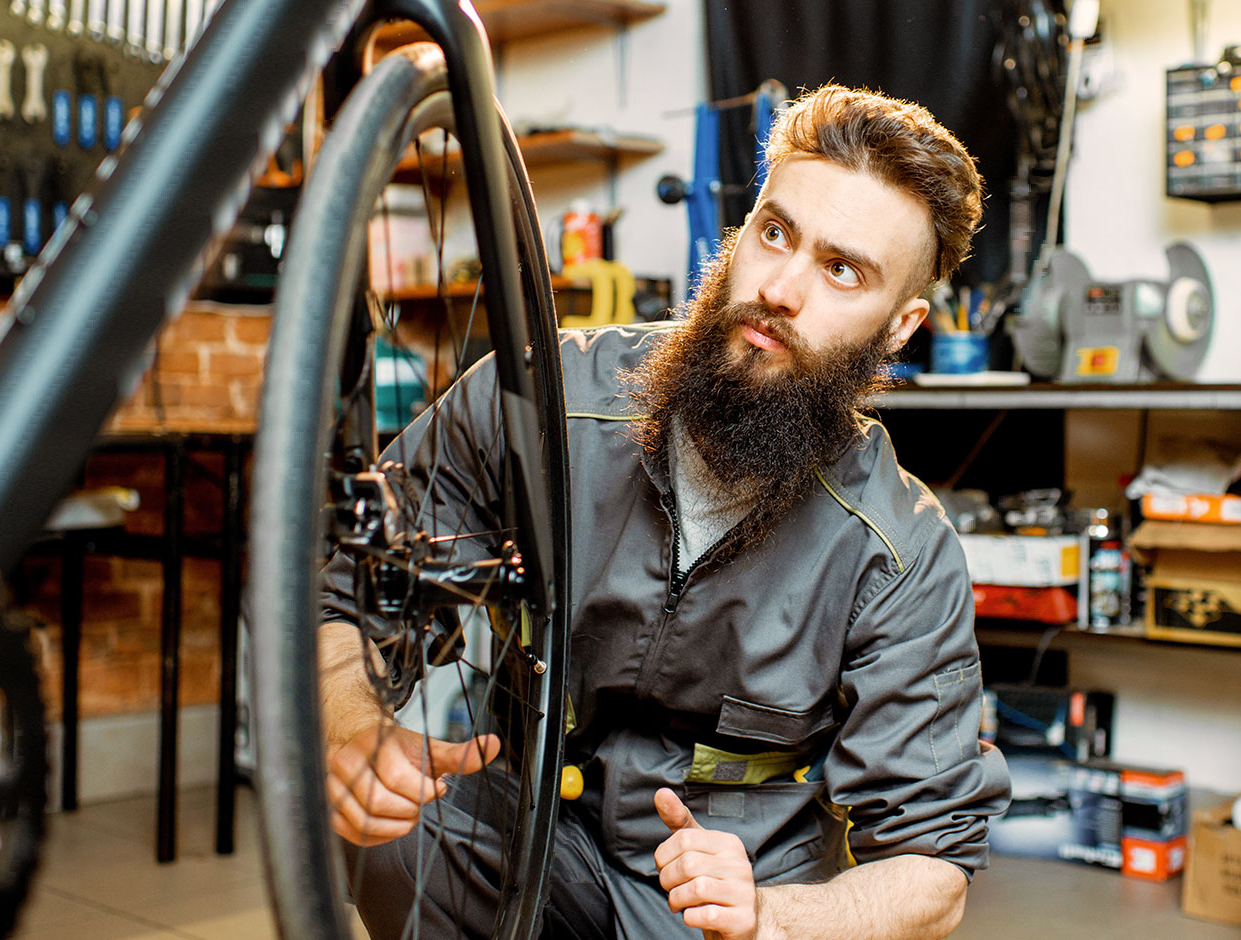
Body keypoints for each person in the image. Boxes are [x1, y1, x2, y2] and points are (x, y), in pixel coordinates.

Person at [317, 84, 1011, 940]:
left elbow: (932, 872)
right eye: (775, 233)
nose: (782, 289)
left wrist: (772, 919)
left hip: (729, 894)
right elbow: (345, 580)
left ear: (900, 326)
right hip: (527, 835)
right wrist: (350, 729)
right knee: (397, 837)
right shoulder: (542, 398)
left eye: (841, 270)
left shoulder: (900, 554)